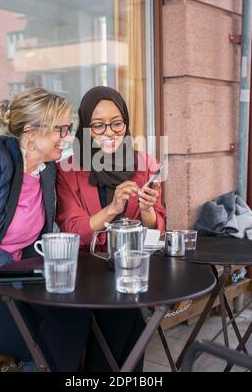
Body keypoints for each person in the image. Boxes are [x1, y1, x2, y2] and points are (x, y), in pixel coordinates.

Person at [0, 87, 90, 372]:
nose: (68, 137)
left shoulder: (46, 170)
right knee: (44, 335)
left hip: (11, 280)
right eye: (62, 129)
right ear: (32, 132)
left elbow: (37, 239)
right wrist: (16, 270)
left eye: (69, 128)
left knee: (74, 314)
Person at [56, 86, 166, 371]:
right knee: (129, 320)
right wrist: (112, 209)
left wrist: (147, 211)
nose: (110, 132)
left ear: (126, 123)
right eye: (98, 125)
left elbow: (157, 232)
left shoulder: (146, 165)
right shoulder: (69, 168)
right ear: (86, 127)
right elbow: (72, 229)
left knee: (129, 316)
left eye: (117, 123)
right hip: (87, 270)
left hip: (130, 267)